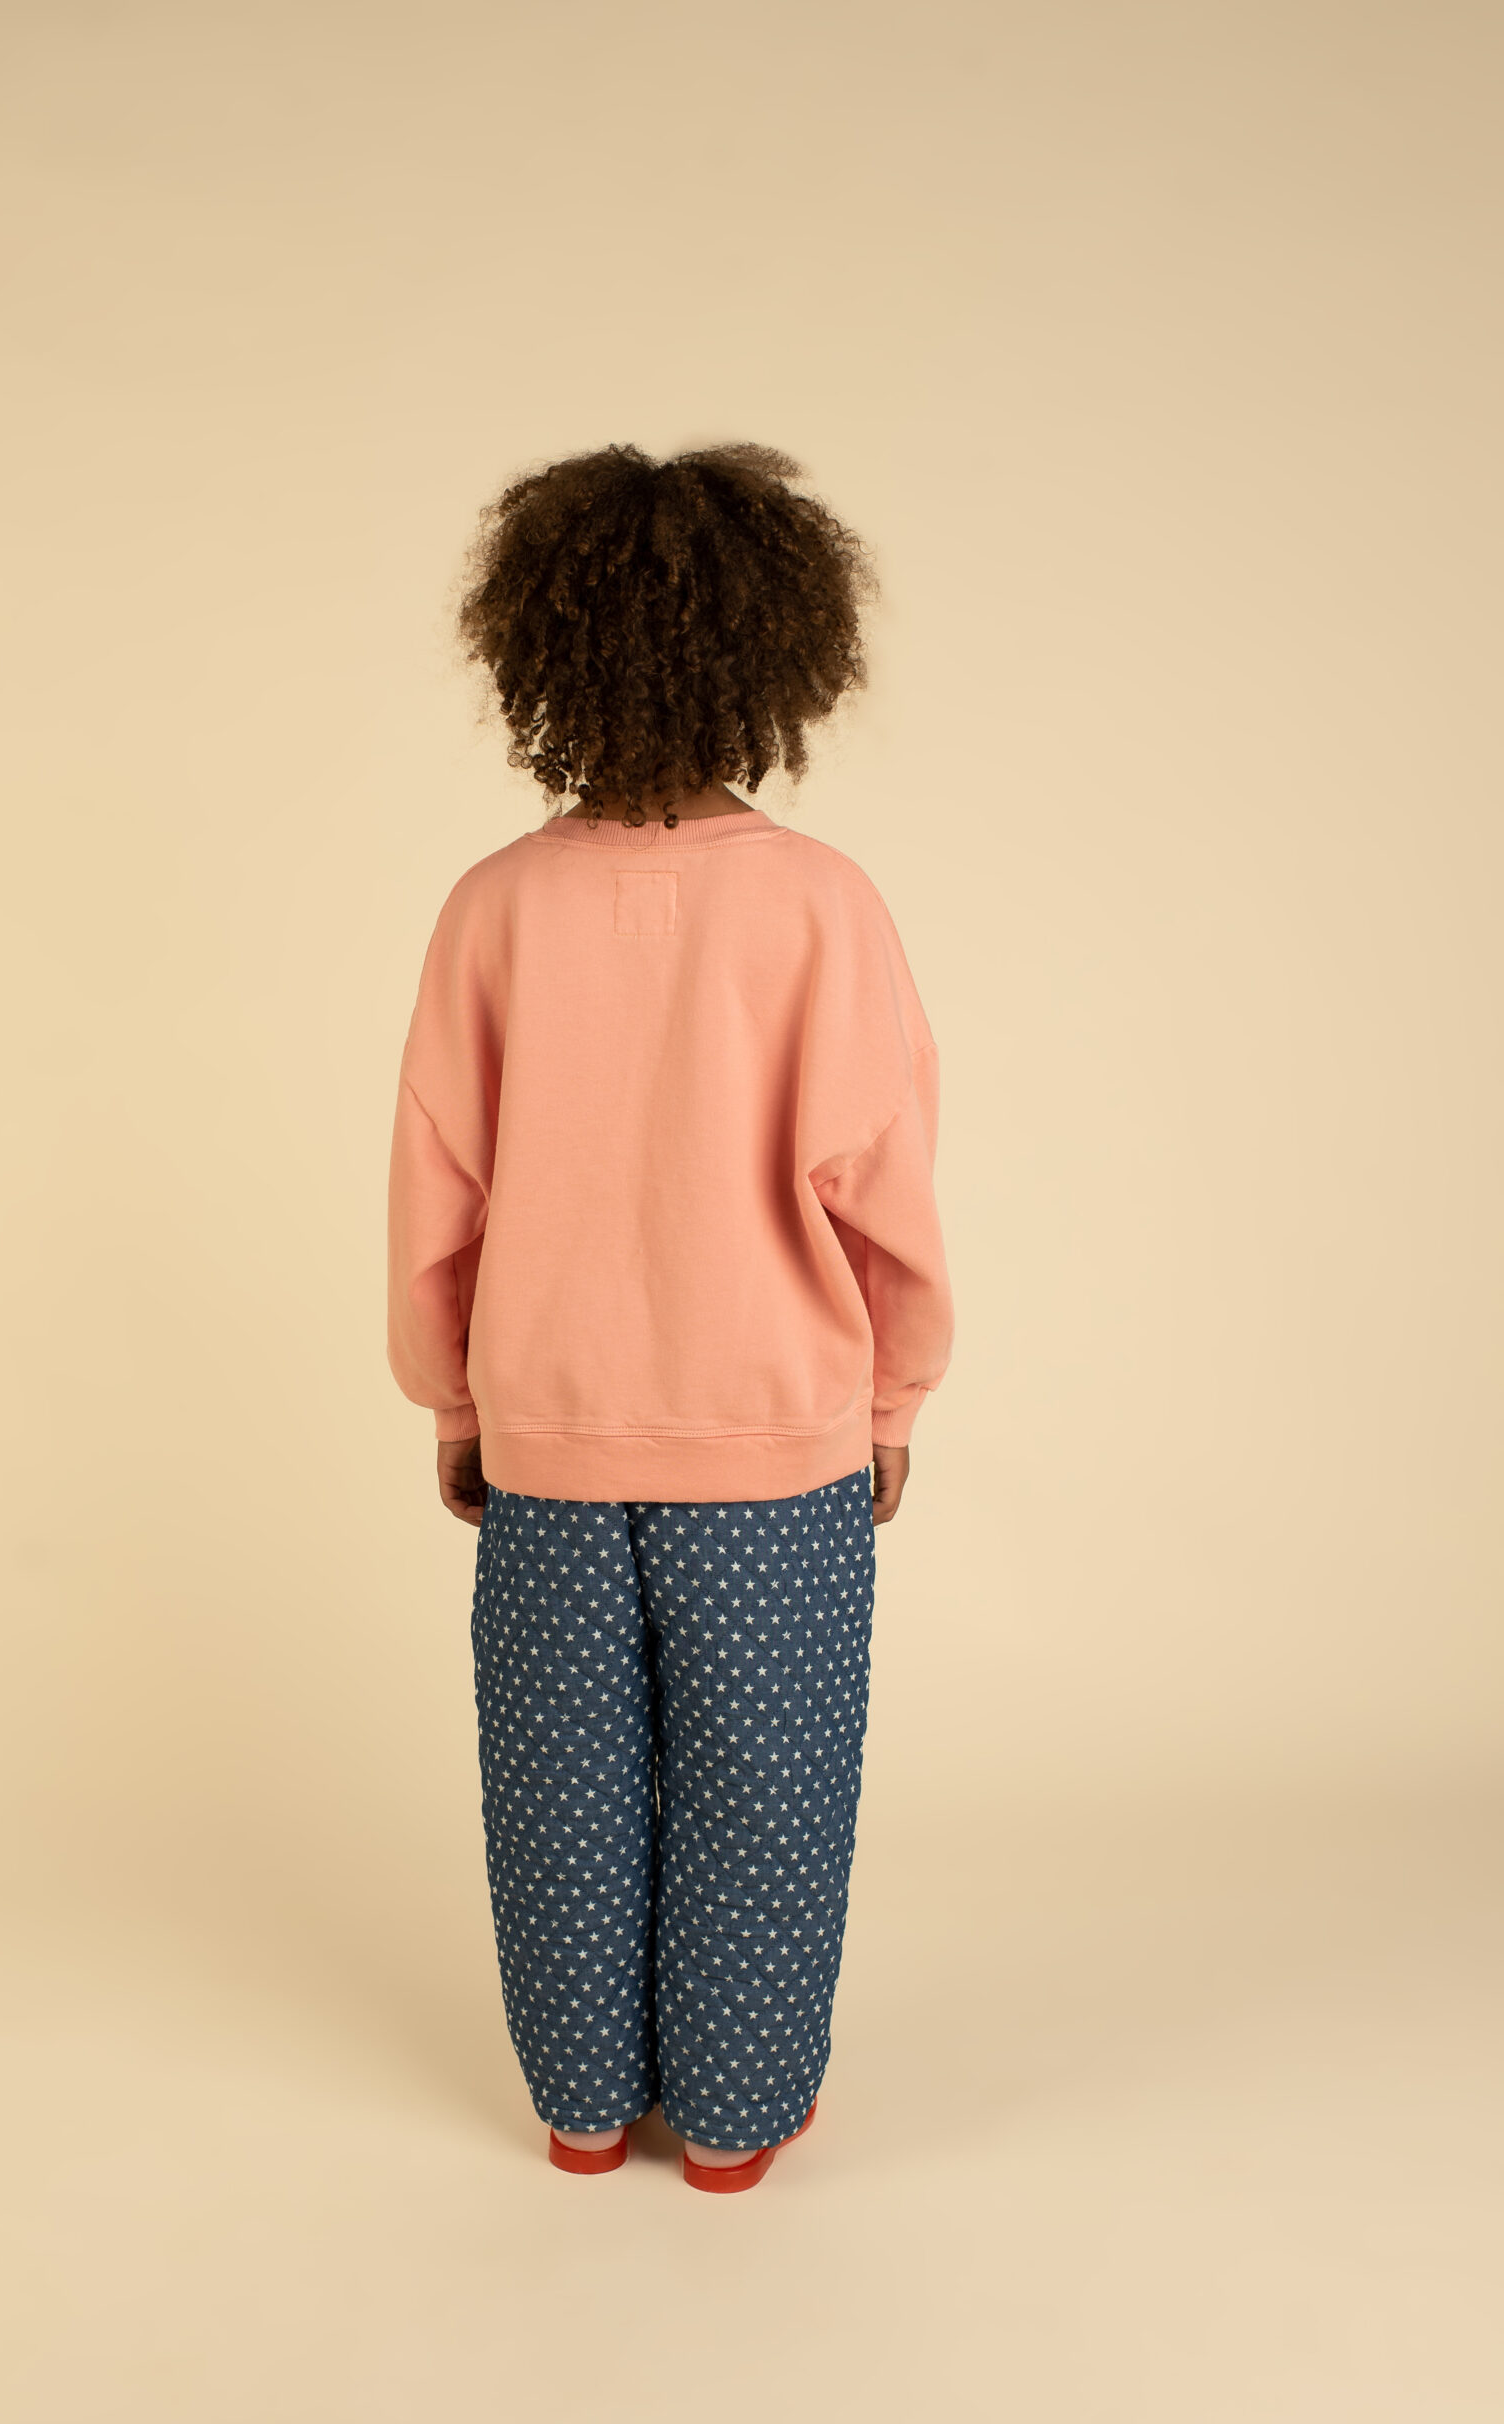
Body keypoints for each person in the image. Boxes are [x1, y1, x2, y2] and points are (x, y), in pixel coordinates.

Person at [387, 442, 955, 2193]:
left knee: (554, 1785)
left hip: (549, 1434)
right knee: (766, 1789)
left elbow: (438, 1190)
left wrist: (456, 1401)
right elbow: (883, 1184)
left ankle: (579, 2108)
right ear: (774, 657)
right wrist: (889, 1403)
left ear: (540, 656)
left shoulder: (492, 906)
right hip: (771, 1439)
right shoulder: (820, 902)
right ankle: (727, 2122)